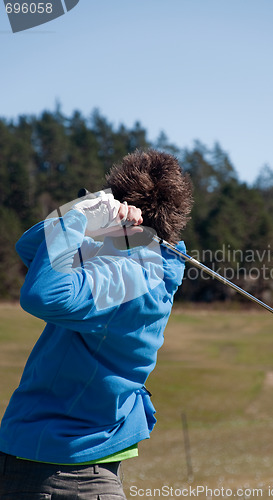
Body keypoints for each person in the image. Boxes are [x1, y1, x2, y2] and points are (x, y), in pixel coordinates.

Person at [0, 149, 193, 499]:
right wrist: (85, 214)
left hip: (55, 471)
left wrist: (76, 220)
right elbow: (30, 248)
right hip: (72, 467)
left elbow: (42, 294)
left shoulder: (125, 278)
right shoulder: (146, 262)